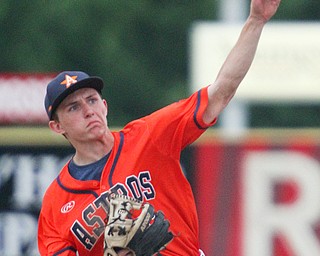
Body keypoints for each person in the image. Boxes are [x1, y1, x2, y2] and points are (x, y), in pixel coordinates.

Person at [37, 0, 281, 255]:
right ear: (56, 126)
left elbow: (220, 92)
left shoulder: (150, 136)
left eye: (92, 100)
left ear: (105, 106)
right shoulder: (56, 203)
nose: (88, 110)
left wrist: (256, 21)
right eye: (73, 107)